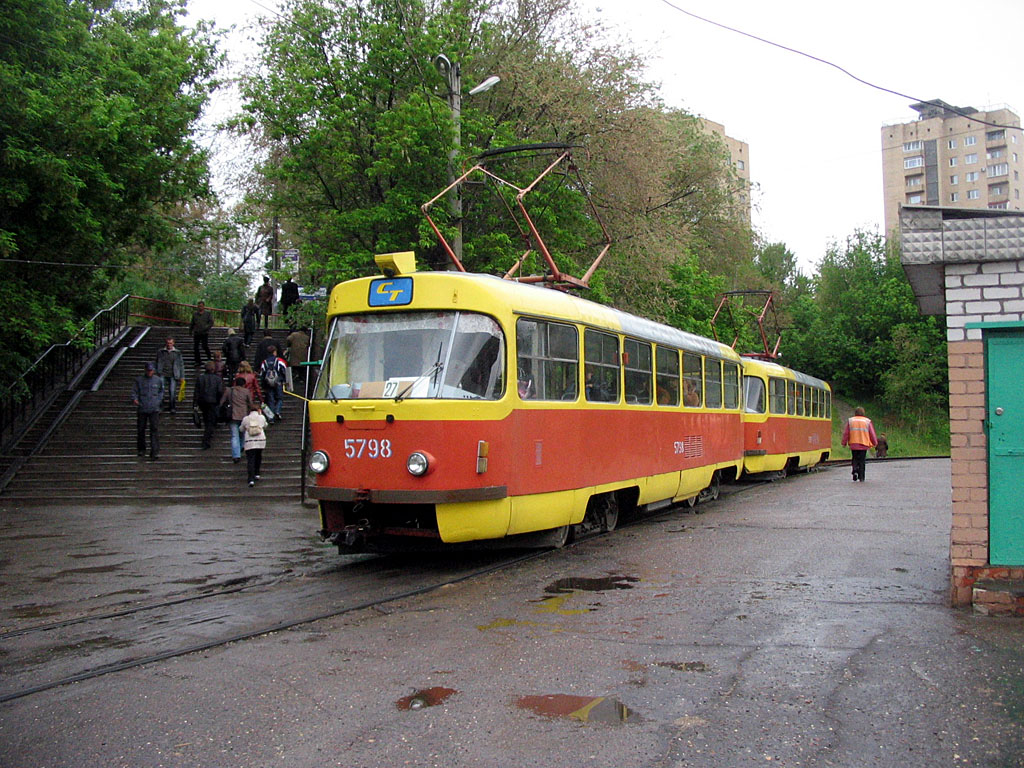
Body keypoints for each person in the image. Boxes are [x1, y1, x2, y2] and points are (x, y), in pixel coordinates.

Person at [131, 362, 163, 460]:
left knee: (154, 429)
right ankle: (141, 448)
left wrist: (158, 401)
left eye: (151, 370)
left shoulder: (158, 380)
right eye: (148, 370)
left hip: (154, 408)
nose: (150, 372)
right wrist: (135, 399)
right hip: (142, 407)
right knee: (141, 429)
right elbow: (134, 391)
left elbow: (161, 392)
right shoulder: (139, 380)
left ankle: (155, 451)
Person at [220, 375, 255, 463]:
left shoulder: (229, 390)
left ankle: (236, 455)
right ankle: (242, 446)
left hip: (232, 415)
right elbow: (250, 403)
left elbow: (222, 401)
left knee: (234, 436)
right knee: (242, 433)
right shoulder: (246, 391)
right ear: (244, 384)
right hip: (244, 415)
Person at [841, 406, 878, 482]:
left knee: (854, 458)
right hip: (863, 444)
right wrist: (875, 443)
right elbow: (872, 434)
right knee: (862, 460)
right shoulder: (867, 421)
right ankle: (861, 477)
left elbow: (846, 433)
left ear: (855, 413)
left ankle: (854, 470)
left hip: (853, 444)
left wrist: (844, 442)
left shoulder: (851, 421)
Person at [195, 361, 225, 450]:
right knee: (210, 422)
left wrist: (195, 404)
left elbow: (197, 392)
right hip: (213, 402)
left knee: (207, 419)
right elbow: (220, 391)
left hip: (203, 402)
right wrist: (220, 402)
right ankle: (206, 440)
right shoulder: (217, 379)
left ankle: (207, 436)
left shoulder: (200, 378)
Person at [154, 336, 185, 414]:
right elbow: (156, 362)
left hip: (173, 374)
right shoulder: (160, 352)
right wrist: (156, 371)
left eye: (170, 343)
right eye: (168, 343)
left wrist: (182, 376)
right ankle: (160, 406)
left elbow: (181, 365)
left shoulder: (177, 353)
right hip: (162, 373)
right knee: (161, 391)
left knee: (172, 391)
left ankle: (172, 407)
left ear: (173, 343)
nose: (169, 345)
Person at [239, 406, 268, 487]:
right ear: (258, 410)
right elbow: (265, 425)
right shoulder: (261, 417)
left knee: (250, 459)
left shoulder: (246, 419)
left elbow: (241, 429)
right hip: (260, 441)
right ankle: (257, 473)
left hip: (249, 441)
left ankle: (251, 479)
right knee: (258, 456)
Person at [259, 344, 288, 421]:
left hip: (268, 383)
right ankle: (277, 411)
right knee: (280, 398)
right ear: (274, 352)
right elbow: (285, 371)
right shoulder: (279, 361)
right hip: (278, 382)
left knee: (270, 399)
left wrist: (263, 385)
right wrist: (285, 381)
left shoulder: (264, 362)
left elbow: (262, 374)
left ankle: (271, 417)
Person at [189, 300, 215, 368]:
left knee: (205, 346)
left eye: (201, 306)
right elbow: (192, 323)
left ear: (203, 306)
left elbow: (211, 322)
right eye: (199, 306)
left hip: (204, 333)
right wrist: (190, 330)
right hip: (197, 332)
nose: (200, 307)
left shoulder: (208, 314)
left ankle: (209, 357)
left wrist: (206, 328)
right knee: (196, 347)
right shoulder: (195, 314)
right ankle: (197, 361)